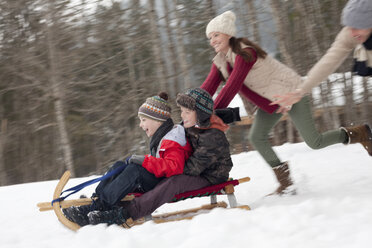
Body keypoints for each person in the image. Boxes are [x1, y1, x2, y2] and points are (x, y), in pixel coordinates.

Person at [200, 10, 372, 195]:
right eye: (210, 37)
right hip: (271, 102)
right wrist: (191, 105)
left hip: (292, 93)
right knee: (256, 137)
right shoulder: (220, 61)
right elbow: (207, 87)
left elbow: (232, 85)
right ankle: (286, 183)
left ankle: (360, 133)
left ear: (227, 33)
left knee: (315, 141)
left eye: (216, 35)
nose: (213, 40)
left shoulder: (245, 52)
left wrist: (211, 113)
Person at [87, 88, 234, 226]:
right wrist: (154, 165)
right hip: (194, 170)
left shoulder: (212, 137)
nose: (182, 116)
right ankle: (101, 201)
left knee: (173, 182)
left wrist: (160, 168)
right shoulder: (192, 127)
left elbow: (190, 169)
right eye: (182, 111)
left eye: (187, 112)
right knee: (140, 170)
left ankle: (127, 213)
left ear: (200, 115)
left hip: (210, 177)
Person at [63, 92, 192, 226]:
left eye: (143, 120)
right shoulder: (162, 136)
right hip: (159, 178)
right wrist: (144, 161)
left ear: (157, 120)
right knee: (119, 165)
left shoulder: (173, 138)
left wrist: (144, 161)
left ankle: (101, 206)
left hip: (164, 184)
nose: (140, 125)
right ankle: (96, 200)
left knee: (134, 171)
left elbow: (174, 167)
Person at [272, 0, 372, 155]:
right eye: (350, 27)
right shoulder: (350, 34)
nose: (352, 32)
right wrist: (301, 90)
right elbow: (329, 61)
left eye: (357, 27)